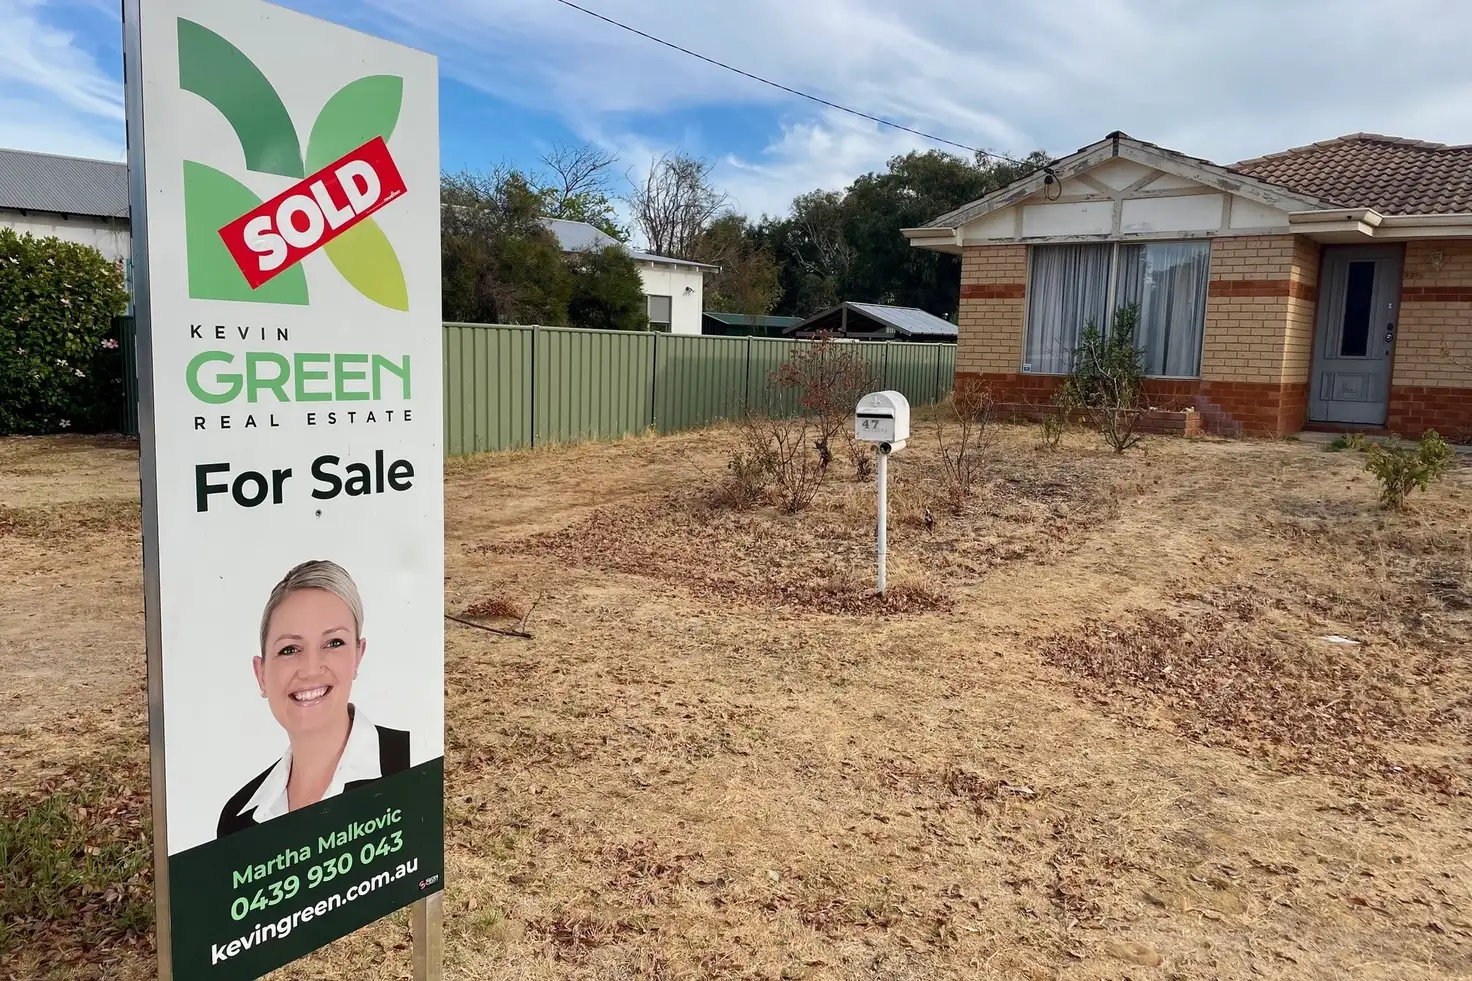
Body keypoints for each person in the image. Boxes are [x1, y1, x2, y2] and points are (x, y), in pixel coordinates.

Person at [217, 559, 409, 838]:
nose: (310, 669)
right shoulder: (237, 819)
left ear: (358, 656)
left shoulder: (412, 765)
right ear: (261, 675)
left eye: (333, 643)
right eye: (289, 649)